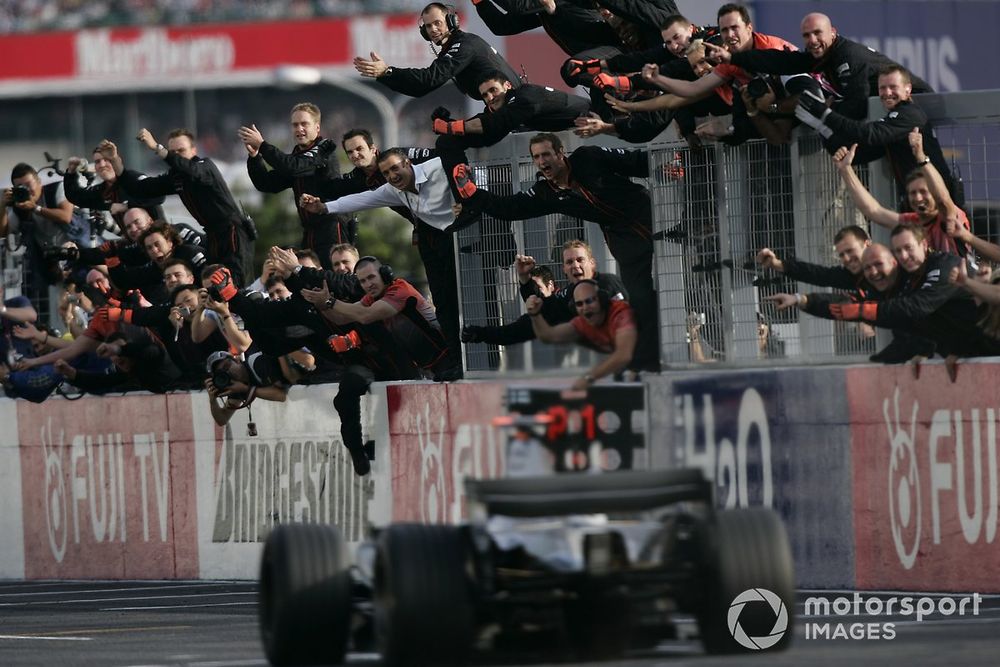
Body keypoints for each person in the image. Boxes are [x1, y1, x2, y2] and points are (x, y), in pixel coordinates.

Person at [453, 133, 660, 372]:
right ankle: (646, 362)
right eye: (536, 157)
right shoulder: (546, 192)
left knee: (673, 276)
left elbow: (635, 161)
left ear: (560, 153)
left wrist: (668, 162)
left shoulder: (588, 157)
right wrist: (472, 192)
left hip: (648, 213)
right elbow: (508, 208)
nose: (541, 162)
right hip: (622, 236)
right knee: (640, 296)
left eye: (546, 154)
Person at [301, 148, 480, 369]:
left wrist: (473, 199)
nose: (392, 176)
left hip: (470, 235)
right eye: (386, 173)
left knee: (470, 297)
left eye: (395, 168)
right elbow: (361, 199)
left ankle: (472, 358)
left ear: (408, 163)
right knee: (445, 303)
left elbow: (475, 172)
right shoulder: (393, 190)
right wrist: (324, 207)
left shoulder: (436, 167)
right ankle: (457, 361)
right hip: (440, 242)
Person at [713, 12, 932, 123]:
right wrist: (733, 58)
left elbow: (857, 108)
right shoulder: (822, 53)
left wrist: (827, 108)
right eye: (806, 36)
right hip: (890, 114)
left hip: (917, 106)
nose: (812, 40)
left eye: (818, 33)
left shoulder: (847, 57)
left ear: (833, 32)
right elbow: (781, 61)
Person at [794, 65, 958, 203]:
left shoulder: (910, 114)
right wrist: (822, 128)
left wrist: (825, 115)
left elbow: (870, 134)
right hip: (915, 202)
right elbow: (858, 154)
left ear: (908, 89)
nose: (887, 93)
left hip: (940, 202)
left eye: (893, 87)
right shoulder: (894, 124)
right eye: (882, 88)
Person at [113, 130, 255, 284]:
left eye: (181, 151)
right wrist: (115, 162)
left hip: (231, 231)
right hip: (213, 235)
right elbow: (142, 188)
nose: (176, 155)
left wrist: (157, 148)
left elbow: (192, 171)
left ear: (194, 150)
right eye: (173, 152)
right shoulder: (177, 177)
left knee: (235, 281)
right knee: (213, 281)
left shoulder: (204, 166)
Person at [240, 103, 356, 264]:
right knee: (309, 280)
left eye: (304, 124)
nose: (299, 128)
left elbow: (293, 167)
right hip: (309, 230)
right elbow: (267, 184)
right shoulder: (297, 156)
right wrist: (255, 158)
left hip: (331, 226)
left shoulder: (324, 149)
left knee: (333, 276)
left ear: (317, 128)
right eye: (295, 125)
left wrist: (263, 145)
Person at [462, 240, 627, 347]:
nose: (575, 266)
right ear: (564, 269)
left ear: (592, 263)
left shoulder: (609, 284)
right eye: (569, 262)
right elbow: (522, 326)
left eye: (580, 260)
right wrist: (480, 333)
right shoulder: (565, 296)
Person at [833, 135, 970, 256]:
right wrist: (846, 170)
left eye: (923, 192)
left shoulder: (949, 217)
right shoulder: (912, 222)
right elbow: (873, 211)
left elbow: (943, 200)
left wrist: (921, 157)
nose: (918, 198)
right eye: (912, 193)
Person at [354, 2, 521, 101]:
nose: (433, 29)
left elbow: (428, 80)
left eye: (437, 23)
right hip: (506, 108)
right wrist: (385, 74)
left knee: (450, 141)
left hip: (514, 109)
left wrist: (387, 71)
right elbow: (419, 89)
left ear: (451, 21)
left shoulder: (464, 45)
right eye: (428, 26)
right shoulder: (458, 45)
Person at [525, 279, 638, 390]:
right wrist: (535, 315)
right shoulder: (583, 322)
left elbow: (624, 355)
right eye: (579, 304)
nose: (585, 308)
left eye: (589, 301)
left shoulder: (621, 313)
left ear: (602, 300)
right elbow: (548, 336)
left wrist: (588, 378)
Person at [431, 70, 590, 148]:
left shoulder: (524, 95)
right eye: (485, 95)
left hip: (601, 118)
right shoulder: (502, 108)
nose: (490, 98)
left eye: (493, 90)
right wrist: (449, 125)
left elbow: (495, 124)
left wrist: (451, 127)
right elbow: (487, 134)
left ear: (508, 85)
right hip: (586, 131)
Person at [0, 162, 75, 306]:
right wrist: (2, 206)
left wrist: (35, 208)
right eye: (20, 187)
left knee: (81, 290)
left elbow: (66, 216)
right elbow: (3, 232)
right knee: (57, 303)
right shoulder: (18, 206)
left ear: (39, 182)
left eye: (28, 185)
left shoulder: (56, 188)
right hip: (47, 260)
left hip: (73, 248)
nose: (26, 190)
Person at [62, 144, 164, 229]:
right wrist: (71, 173)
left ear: (116, 160)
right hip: (135, 245)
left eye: (107, 159)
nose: (102, 165)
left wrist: (125, 206)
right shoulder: (104, 190)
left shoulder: (133, 178)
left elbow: (159, 196)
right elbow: (76, 197)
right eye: (97, 161)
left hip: (160, 241)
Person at [473, 0, 619, 57]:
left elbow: (519, 7)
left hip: (612, 54)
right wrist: (480, 2)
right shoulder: (545, 8)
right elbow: (503, 26)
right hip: (590, 62)